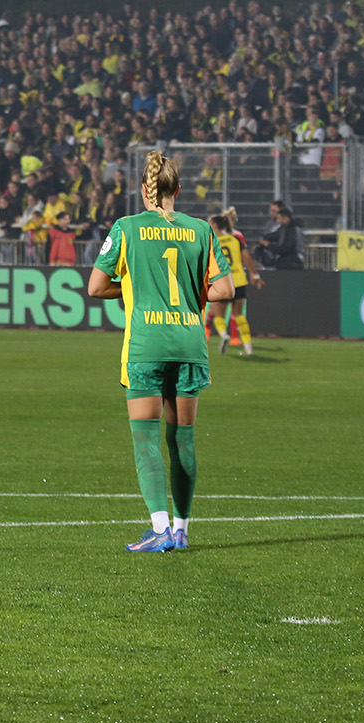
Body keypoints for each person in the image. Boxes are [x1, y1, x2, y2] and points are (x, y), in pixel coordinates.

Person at [87, 150, 233, 553]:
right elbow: (225, 291)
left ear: (143, 190)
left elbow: (96, 287)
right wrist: (188, 294)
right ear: (178, 190)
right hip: (189, 343)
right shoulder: (201, 230)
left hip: (146, 345)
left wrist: (133, 287)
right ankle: (183, 529)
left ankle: (159, 529)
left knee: (145, 438)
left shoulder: (127, 227)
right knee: (182, 438)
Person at [206, 211, 264, 355]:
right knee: (239, 314)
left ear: (214, 226)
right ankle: (248, 348)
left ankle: (224, 335)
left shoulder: (211, 242)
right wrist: (255, 275)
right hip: (238, 280)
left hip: (221, 281)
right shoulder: (235, 240)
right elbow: (247, 257)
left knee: (218, 314)